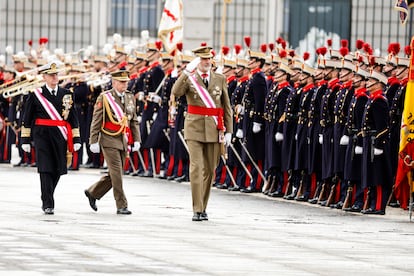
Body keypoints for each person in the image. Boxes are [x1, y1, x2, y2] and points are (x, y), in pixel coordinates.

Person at [171, 45, 233, 221]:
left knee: (210, 170)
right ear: (197, 61)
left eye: (208, 59)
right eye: (203, 59)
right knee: (197, 168)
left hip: (214, 129)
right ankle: (196, 208)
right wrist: (185, 72)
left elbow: (226, 106)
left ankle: (203, 207)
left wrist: (229, 130)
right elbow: (175, 92)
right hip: (195, 128)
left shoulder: (220, 79)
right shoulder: (190, 79)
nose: (206, 62)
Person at [21, 61, 82, 215]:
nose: (54, 77)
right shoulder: (36, 94)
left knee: (58, 169)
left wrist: (76, 139)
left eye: (56, 74)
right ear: (44, 77)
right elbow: (27, 118)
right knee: (45, 168)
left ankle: (47, 195)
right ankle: (48, 203)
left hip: (60, 136)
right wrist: (25, 140)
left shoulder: (67, 94)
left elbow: (73, 118)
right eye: (51, 75)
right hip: (42, 135)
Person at [84, 69, 141, 215]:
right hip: (108, 138)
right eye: (121, 82)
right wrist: (93, 140)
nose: (125, 84)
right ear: (114, 82)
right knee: (117, 173)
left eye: (126, 82)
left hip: (123, 138)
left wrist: (137, 139)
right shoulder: (104, 98)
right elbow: (96, 120)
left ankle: (93, 192)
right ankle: (121, 205)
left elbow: (133, 120)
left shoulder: (129, 97)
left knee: (116, 173)